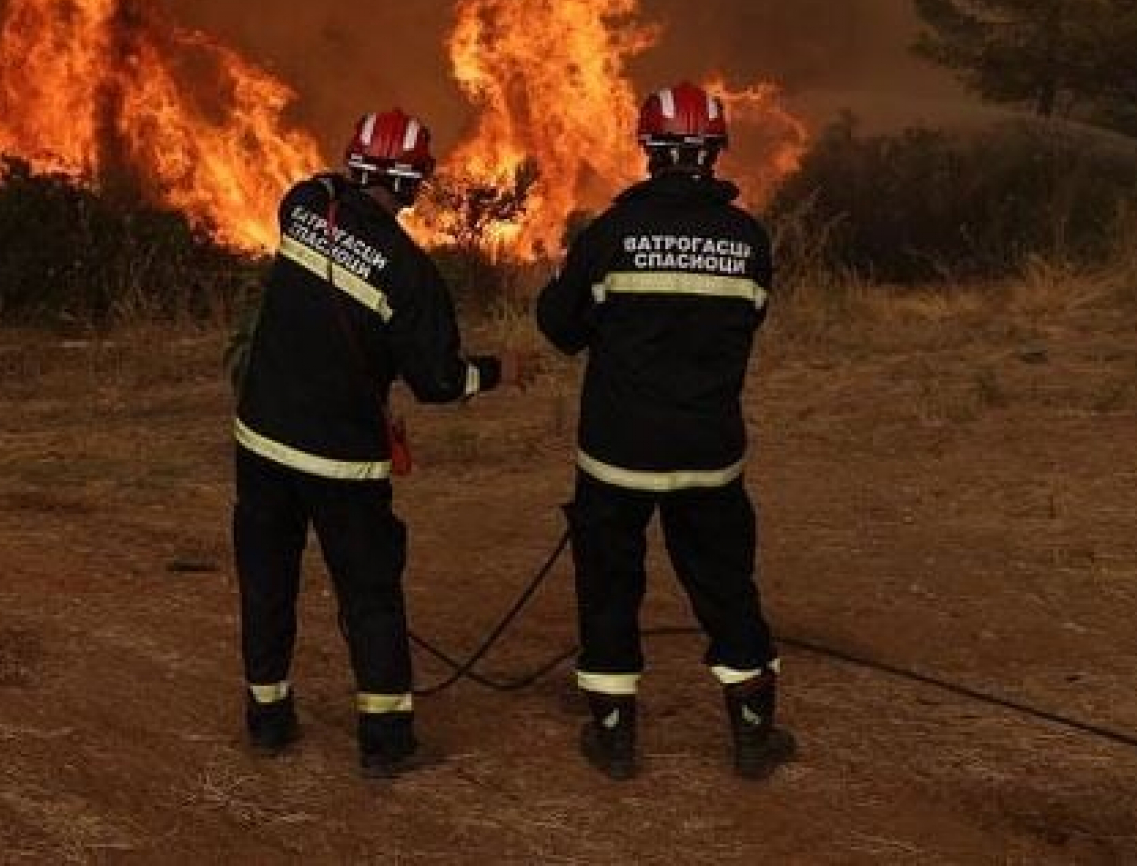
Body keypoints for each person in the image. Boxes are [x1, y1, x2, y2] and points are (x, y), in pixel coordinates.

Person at [232, 107, 516, 777]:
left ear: (353, 164)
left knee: (267, 581)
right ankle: (385, 742)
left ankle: (268, 719)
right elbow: (439, 381)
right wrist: (497, 371)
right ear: (413, 184)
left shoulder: (304, 206)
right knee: (369, 593)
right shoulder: (411, 275)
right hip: (342, 462)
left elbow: (320, 188)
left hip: (263, 441)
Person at [535, 82, 795, 782]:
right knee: (725, 584)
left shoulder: (611, 235)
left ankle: (613, 736)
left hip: (617, 453)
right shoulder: (748, 239)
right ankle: (752, 733)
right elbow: (747, 320)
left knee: (609, 585)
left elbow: (560, 329)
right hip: (709, 453)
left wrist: (568, 283)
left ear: (649, 149)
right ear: (715, 151)